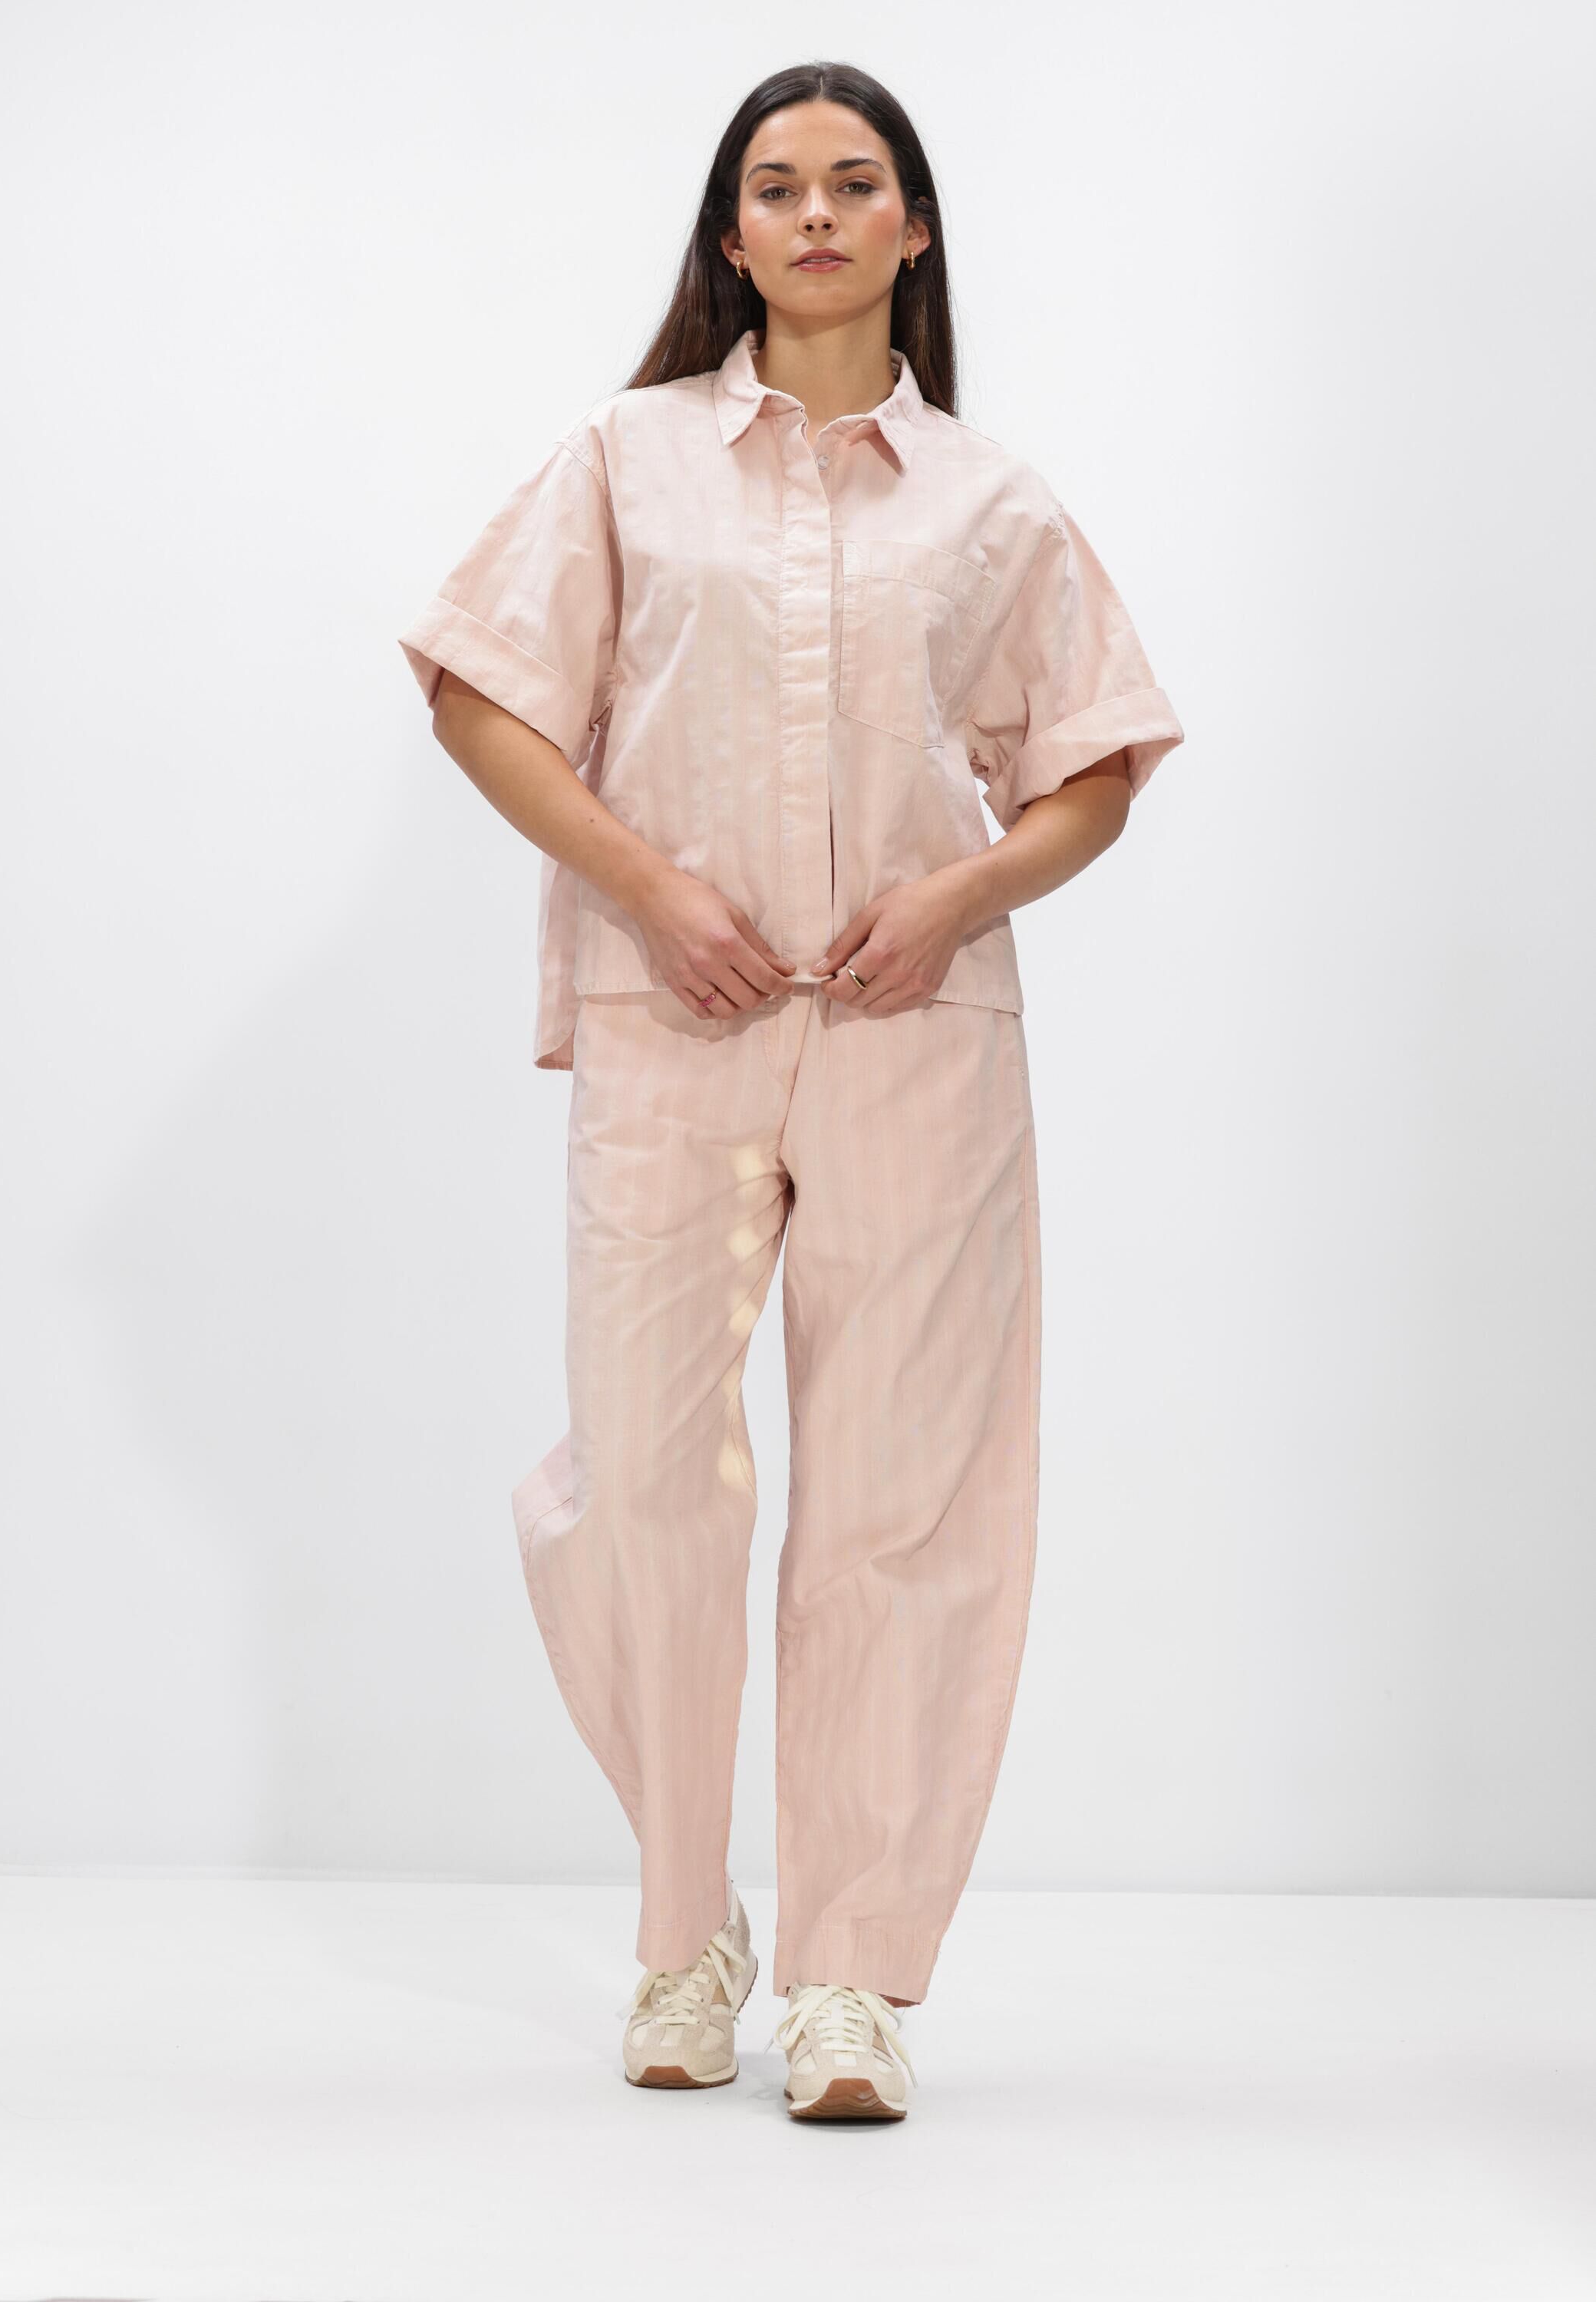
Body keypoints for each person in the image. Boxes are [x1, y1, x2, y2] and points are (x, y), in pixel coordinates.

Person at [398, 59, 1184, 2122]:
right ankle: (686, 1931)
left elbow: (1095, 763)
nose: (816, 212)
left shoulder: (992, 499)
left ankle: (849, 1977)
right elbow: (481, 694)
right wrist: (650, 891)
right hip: (676, 1018)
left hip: (921, 1033)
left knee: (906, 1501)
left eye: (854, 182)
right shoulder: (624, 459)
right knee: (642, 1480)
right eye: (776, 185)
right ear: (730, 235)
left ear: (914, 228)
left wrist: (964, 894)